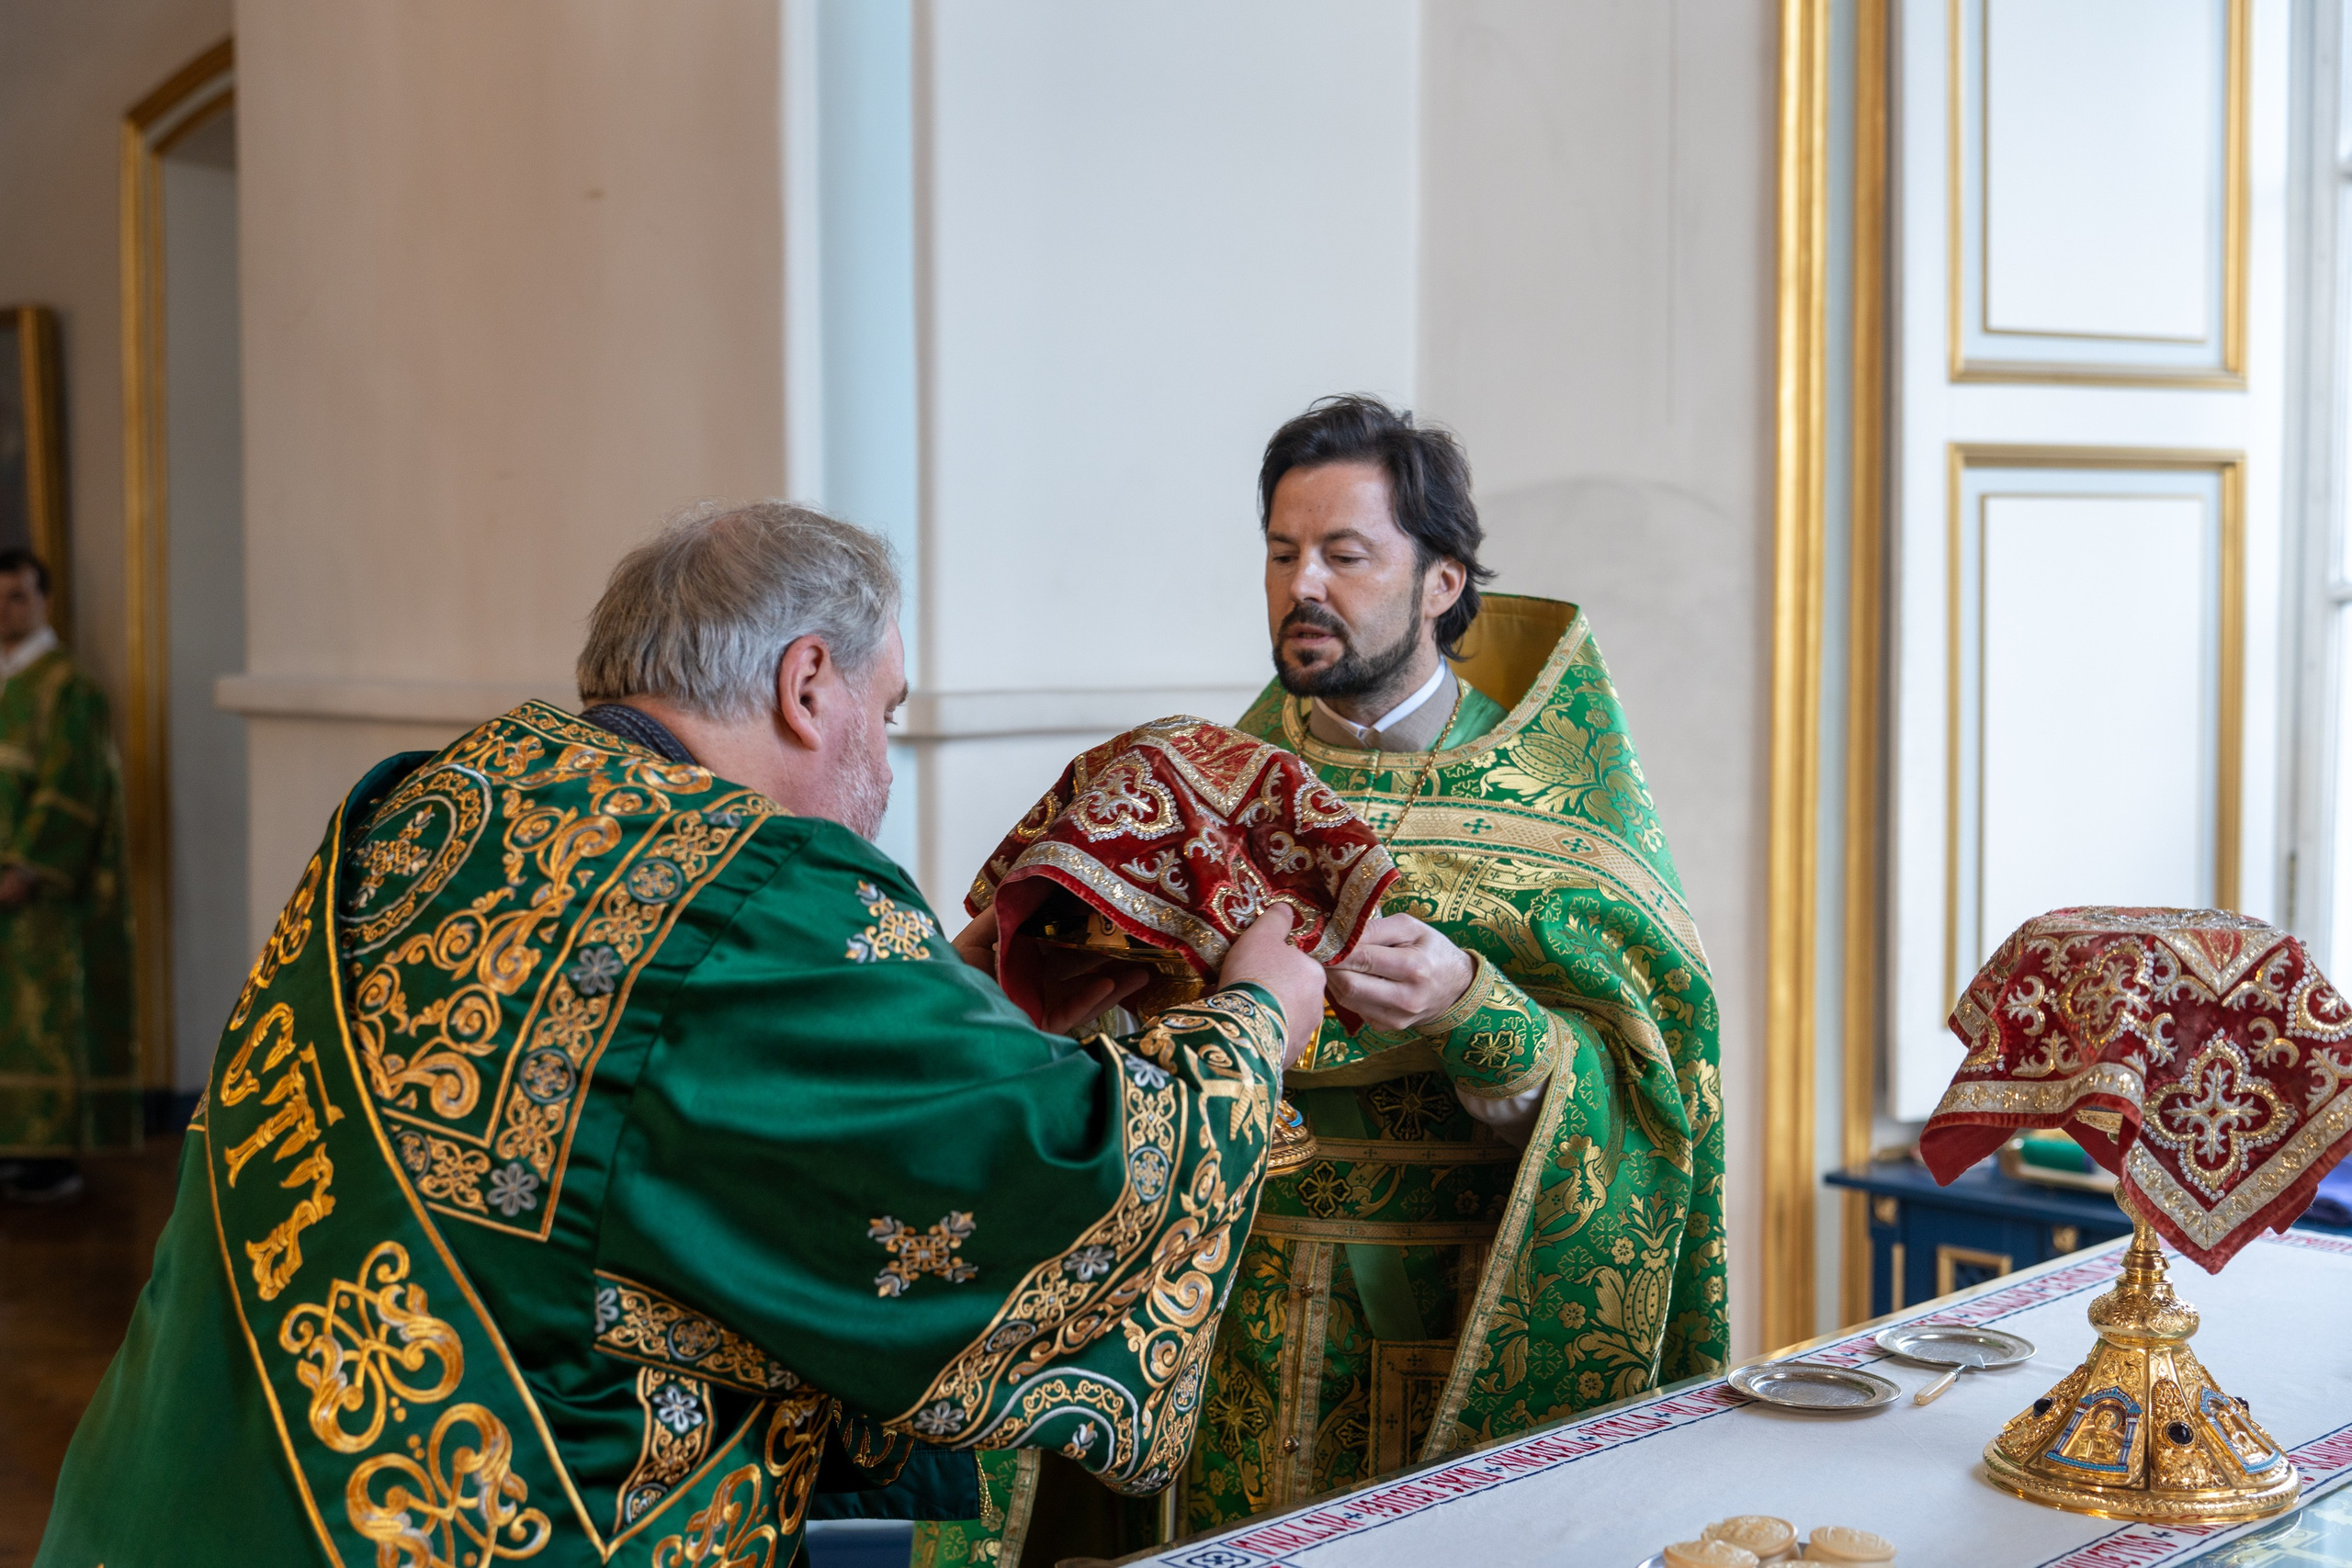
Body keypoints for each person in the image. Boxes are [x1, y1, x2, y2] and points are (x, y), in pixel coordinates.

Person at [36, 502, 1324, 1568]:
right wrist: (1255, 1019)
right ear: (807, 684)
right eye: (887, 713)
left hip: (174, 1483)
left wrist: (943, 1006)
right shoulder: (760, 888)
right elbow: (1064, 1164)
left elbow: (650, 1093)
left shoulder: (448, 799)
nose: (886, 768)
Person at [1181, 396, 1727, 1528]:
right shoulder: (1216, 789)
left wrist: (1477, 1010)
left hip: (1453, 1331)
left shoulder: (1557, 802)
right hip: (1234, 1331)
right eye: (1281, 554)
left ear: (1440, 582)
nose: (1302, 586)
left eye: (1344, 555)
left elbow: (1651, 1097)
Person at [0, 547, 132, 1203]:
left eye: (17, 596)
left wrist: (27, 866)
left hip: (37, 892)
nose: (5, 611)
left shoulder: (67, 688)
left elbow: (73, 786)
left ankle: (49, 1157)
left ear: (43, 601)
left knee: (41, 1020)